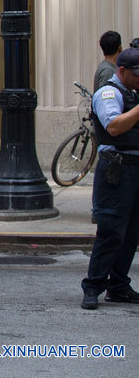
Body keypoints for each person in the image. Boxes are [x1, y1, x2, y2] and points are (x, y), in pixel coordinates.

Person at [80, 47, 139, 309]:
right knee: (111, 230)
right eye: (137, 75)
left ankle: (118, 286)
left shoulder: (133, 93)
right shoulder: (108, 93)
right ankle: (93, 286)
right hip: (117, 170)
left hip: (135, 169)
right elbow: (114, 126)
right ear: (122, 71)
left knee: (131, 233)